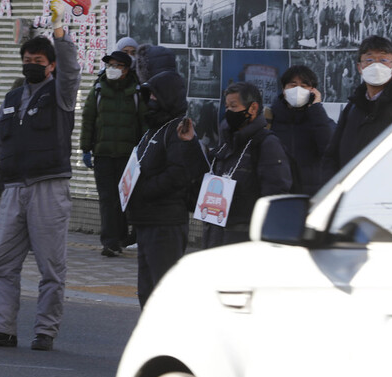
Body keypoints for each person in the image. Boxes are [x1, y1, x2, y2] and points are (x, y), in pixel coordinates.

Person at [0, 0, 81, 351]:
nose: (31, 66)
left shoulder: (61, 94)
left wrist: (60, 32)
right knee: (2, 265)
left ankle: (45, 331)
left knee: (51, 267)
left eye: (39, 62)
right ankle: (1, 328)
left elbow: (71, 70)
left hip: (49, 187)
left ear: (50, 66)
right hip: (14, 189)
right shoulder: (10, 98)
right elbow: (0, 148)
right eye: (27, 61)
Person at [125, 67, 207, 307]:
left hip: (165, 222)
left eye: (155, 96)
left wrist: (144, 190)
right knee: (146, 291)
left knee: (162, 293)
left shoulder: (176, 129)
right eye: (148, 95)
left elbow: (178, 174)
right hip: (147, 219)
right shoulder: (153, 128)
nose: (150, 100)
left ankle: (168, 344)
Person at [203, 82, 292, 248]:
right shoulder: (225, 145)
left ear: (252, 108)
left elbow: (275, 194)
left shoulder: (266, 144)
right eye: (227, 106)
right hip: (216, 235)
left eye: (234, 106)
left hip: (244, 239)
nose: (228, 112)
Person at [79, 49, 145, 257]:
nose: (113, 69)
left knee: (125, 198)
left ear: (126, 69)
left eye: (117, 66)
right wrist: (86, 149)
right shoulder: (98, 89)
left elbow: (143, 124)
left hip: (128, 156)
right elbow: (88, 118)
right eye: (110, 65)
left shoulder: (136, 92)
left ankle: (123, 236)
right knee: (107, 199)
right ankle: (110, 242)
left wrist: (142, 153)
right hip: (103, 154)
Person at [323, 35, 392, 178]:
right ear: (360, 67)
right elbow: (331, 155)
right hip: (349, 194)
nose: (376, 66)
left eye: (383, 60)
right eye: (369, 60)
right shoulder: (353, 106)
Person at [269, 65, 336, 195]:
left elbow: (329, 149)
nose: (298, 90)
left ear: (313, 91)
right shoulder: (269, 119)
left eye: (304, 86)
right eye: (293, 85)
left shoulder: (321, 120)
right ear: (284, 89)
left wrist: (316, 108)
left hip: (311, 194)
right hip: (278, 193)